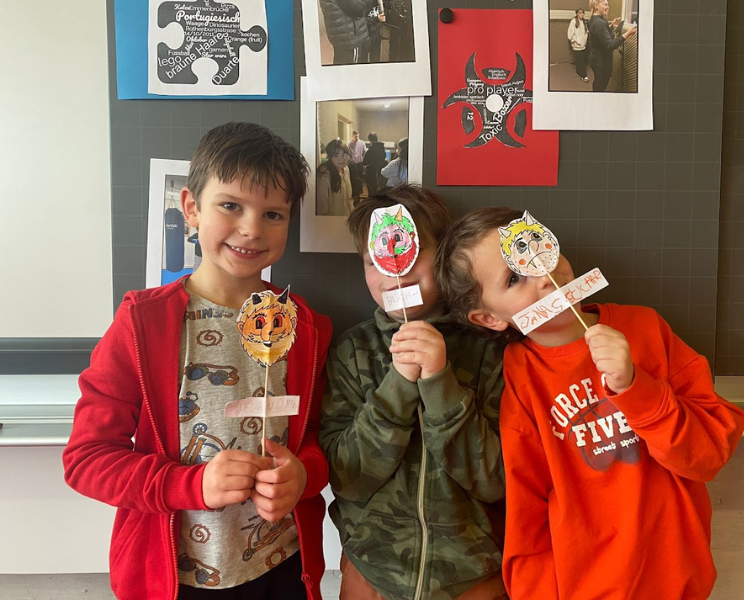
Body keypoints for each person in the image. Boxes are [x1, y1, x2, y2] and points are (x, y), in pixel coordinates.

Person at [62, 122, 333, 600]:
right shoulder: (141, 323)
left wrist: (305, 475)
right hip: (175, 577)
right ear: (190, 208)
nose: (251, 229)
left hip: (283, 567)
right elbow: (87, 459)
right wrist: (190, 485)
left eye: (273, 214)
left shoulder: (306, 327)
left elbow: (316, 437)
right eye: (230, 206)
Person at [436, 206, 744, 600]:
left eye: (539, 248)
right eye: (514, 278)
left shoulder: (645, 329)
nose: (544, 276)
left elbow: (709, 455)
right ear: (488, 319)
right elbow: (527, 511)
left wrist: (636, 388)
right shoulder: (520, 377)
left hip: (677, 581)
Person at [320, 186, 508, 600]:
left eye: (410, 251)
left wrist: (440, 382)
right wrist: (398, 385)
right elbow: (347, 478)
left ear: (445, 256)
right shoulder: (353, 351)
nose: (394, 270)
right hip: (372, 576)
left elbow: (497, 480)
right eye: (374, 259)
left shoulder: (491, 349)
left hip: (476, 578)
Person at [588, 0, 637, 92]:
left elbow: (600, 35)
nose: (608, 7)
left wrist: (610, 26)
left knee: (598, 81)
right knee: (600, 85)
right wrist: (628, 33)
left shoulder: (595, 19)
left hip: (596, 57)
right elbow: (609, 45)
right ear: (596, 5)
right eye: (605, 5)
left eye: (608, 5)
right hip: (601, 61)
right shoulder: (599, 23)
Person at [320, 0, 370, 65]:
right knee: (352, 68)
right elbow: (360, 9)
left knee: (340, 65)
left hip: (340, 36)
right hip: (350, 38)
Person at [317, 139, 353, 216]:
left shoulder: (346, 169)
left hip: (346, 218)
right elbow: (322, 210)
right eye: (336, 155)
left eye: (344, 155)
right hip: (332, 221)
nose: (341, 159)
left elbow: (349, 199)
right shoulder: (324, 177)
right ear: (330, 157)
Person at [567, 8, 589, 82]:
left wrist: (584, 40)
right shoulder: (573, 21)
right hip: (577, 45)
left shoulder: (584, 22)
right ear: (577, 14)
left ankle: (578, 71)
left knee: (581, 60)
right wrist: (575, 41)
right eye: (580, 13)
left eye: (583, 13)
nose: (582, 14)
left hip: (583, 45)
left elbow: (586, 32)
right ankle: (583, 75)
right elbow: (570, 34)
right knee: (581, 60)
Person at [362, 132, 387, 196]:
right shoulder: (382, 148)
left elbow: (365, 162)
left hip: (371, 173)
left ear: (370, 140)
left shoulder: (370, 150)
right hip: (381, 172)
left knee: (372, 192)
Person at [347, 131, 367, 203]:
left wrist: (363, 162)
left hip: (360, 163)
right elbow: (348, 155)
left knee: (360, 179)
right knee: (354, 179)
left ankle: (360, 191)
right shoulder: (349, 144)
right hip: (352, 165)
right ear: (352, 136)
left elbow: (365, 152)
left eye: (358, 136)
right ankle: (355, 194)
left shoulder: (362, 143)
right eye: (355, 137)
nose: (357, 138)